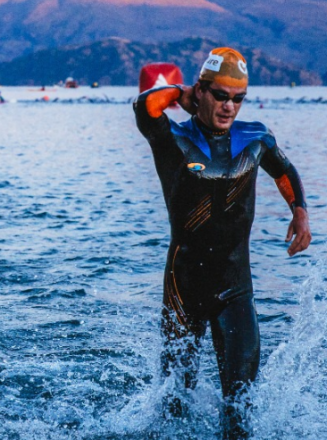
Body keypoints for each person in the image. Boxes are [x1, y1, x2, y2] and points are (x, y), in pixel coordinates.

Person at [132, 47, 311, 438]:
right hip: (184, 288)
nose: (230, 107)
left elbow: (284, 168)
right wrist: (181, 91)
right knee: (173, 404)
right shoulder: (172, 139)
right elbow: (144, 106)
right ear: (201, 92)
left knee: (241, 406)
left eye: (238, 98)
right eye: (220, 95)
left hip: (235, 288)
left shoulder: (255, 138)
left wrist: (299, 212)